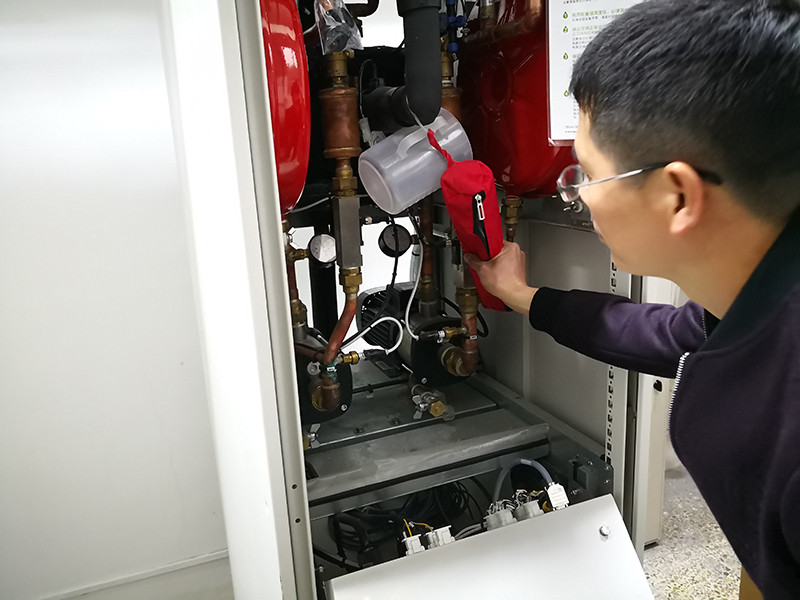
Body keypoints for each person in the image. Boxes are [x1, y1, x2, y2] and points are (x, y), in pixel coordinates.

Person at [464, 0, 800, 596]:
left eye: (590, 175)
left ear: (678, 197)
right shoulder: (760, 288)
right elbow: (675, 335)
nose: (579, 195)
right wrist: (523, 296)